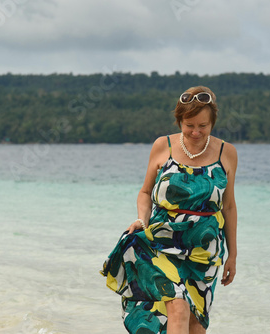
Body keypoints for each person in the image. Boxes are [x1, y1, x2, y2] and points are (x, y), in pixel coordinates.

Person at [101, 85, 238, 334]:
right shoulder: (162, 146)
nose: (196, 132)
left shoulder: (226, 152)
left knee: (196, 325)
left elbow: (228, 206)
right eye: (189, 125)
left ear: (213, 122)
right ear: (179, 121)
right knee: (178, 308)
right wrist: (142, 220)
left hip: (205, 251)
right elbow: (145, 192)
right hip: (162, 241)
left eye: (203, 126)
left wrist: (233, 255)